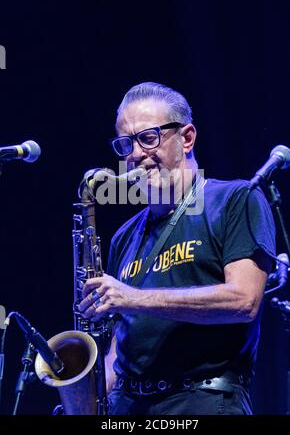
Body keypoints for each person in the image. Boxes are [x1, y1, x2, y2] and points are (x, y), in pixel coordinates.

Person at [78, 82, 276, 415]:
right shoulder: (123, 236)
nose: (136, 154)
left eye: (148, 138)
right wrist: (84, 399)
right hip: (127, 408)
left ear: (186, 138)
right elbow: (118, 347)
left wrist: (133, 298)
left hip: (203, 401)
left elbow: (245, 300)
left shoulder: (236, 199)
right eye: (126, 144)